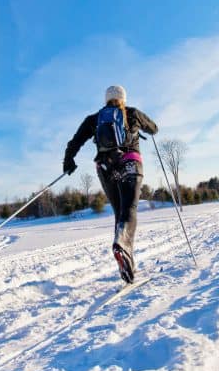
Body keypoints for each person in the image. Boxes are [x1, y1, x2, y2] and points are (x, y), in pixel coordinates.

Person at [63, 85, 158, 284]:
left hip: (105, 168)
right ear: (124, 98)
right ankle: (122, 246)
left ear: (106, 99)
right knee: (129, 209)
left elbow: (75, 141)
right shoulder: (132, 113)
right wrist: (146, 129)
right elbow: (154, 128)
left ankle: (126, 266)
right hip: (130, 162)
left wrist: (69, 161)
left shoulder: (94, 119)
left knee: (119, 213)